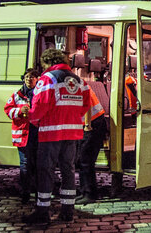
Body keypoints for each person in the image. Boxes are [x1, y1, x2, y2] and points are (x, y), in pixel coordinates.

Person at [22, 49, 90, 224]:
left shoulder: (48, 78)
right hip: (72, 133)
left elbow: (39, 107)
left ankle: (42, 212)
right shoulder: (79, 80)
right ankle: (67, 211)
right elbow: (85, 105)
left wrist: (31, 118)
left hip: (51, 133)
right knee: (68, 171)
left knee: (46, 171)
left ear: (47, 62)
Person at [4, 68, 41, 204]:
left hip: (37, 134)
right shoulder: (17, 95)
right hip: (23, 135)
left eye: (32, 77)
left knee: (37, 165)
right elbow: (7, 110)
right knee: (25, 165)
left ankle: (38, 193)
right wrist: (19, 110)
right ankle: (25, 193)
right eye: (26, 77)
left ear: (37, 79)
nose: (29, 80)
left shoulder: (40, 93)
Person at [76, 87, 108, 204]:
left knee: (85, 160)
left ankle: (89, 194)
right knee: (84, 160)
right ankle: (85, 191)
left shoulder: (76, 86)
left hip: (92, 124)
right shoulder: (77, 84)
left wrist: (87, 125)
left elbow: (87, 104)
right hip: (94, 122)